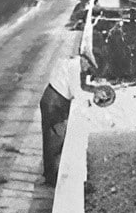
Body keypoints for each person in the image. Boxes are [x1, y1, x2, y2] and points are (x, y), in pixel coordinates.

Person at [39, 52, 110, 186]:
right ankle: (51, 177)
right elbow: (76, 92)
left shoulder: (75, 64)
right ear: (84, 59)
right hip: (54, 102)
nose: (87, 69)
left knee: (54, 139)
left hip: (55, 100)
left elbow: (81, 86)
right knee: (54, 140)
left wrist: (94, 90)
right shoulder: (74, 66)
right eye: (88, 66)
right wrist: (93, 96)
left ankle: (51, 174)